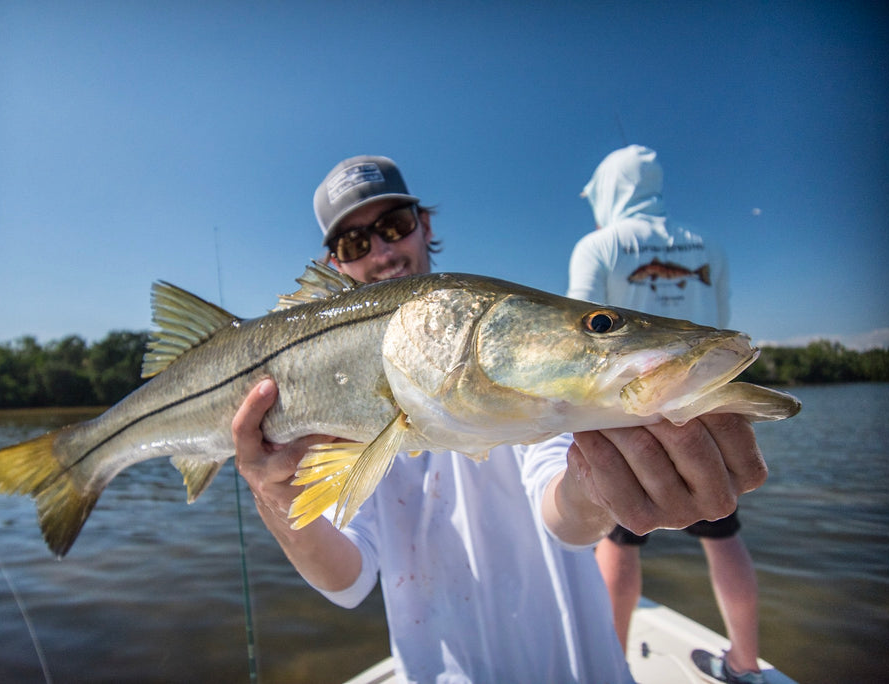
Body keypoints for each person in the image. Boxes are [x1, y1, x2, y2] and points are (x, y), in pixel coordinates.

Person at [232, 154, 769, 683]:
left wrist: (597, 486)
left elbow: (564, 517)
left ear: (425, 226)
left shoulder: (523, 380)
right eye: (354, 242)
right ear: (335, 265)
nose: (382, 249)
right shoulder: (335, 418)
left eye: (395, 225)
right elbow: (347, 580)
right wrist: (275, 498)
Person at [569, 144, 765, 684]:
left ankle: (615, 665)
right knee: (724, 535)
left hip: (628, 425)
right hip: (703, 412)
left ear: (609, 188)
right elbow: (721, 334)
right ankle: (745, 665)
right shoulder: (711, 246)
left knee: (619, 539)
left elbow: (570, 337)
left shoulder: (598, 246)